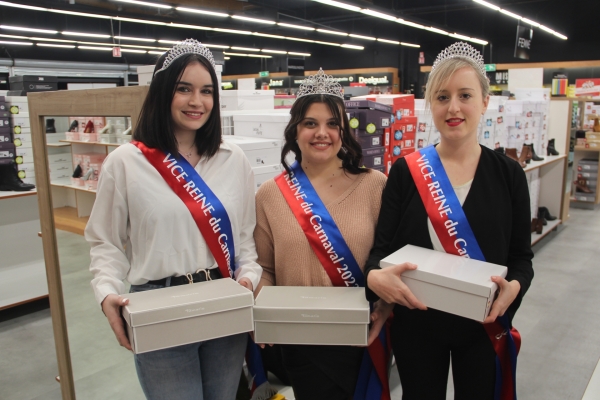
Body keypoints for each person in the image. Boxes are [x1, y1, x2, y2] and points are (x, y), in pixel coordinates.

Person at [86, 39, 261, 400]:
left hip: (223, 302)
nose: (197, 102)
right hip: (158, 305)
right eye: (184, 89)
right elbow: (105, 241)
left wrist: (248, 276)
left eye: (207, 91)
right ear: (164, 92)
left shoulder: (233, 159)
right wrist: (106, 294)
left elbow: (245, 239)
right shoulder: (125, 162)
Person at [364, 42, 534, 399]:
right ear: (431, 106)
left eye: (465, 95)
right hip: (417, 326)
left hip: (483, 326)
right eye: (442, 97)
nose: (453, 107)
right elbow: (379, 253)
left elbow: (521, 259)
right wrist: (375, 277)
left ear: (485, 102)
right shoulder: (406, 172)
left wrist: (514, 287)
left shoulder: (509, 175)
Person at [253, 68, 388, 399]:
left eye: (332, 124)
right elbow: (265, 270)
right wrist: (263, 309)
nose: (321, 133)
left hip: (362, 335)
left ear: (344, 131)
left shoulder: (376, 185)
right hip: (301, 341)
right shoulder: (270, 194)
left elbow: (388, 258)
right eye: (310, 123)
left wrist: (385, 307)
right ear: (295, 131)